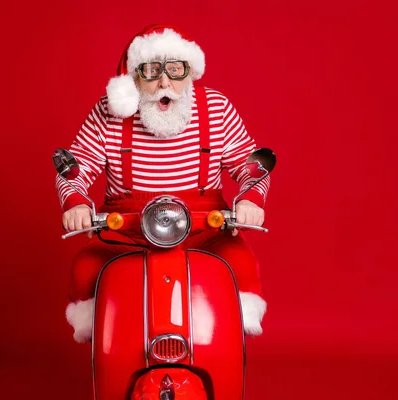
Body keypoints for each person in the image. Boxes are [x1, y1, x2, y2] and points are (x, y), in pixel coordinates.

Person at [56, 24, 270, 343]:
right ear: (136, 76)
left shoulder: (217, 108)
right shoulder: (109, 112)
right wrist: (75, 203)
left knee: (241, 264)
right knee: (86, 269)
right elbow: (76, 166)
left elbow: (250, 164)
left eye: (175, 69)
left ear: (190, 72)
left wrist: (251, 199)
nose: (164, 82)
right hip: (125, 229)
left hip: (205, 226)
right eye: (152, 70)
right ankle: (103, 343)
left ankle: (226, 343)